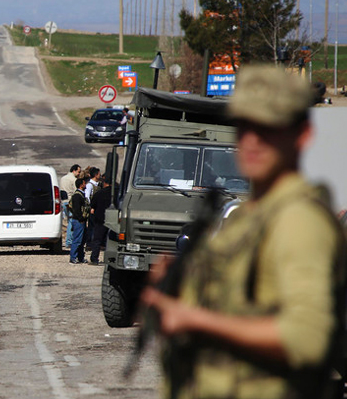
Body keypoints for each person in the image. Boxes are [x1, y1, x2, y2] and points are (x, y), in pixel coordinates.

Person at [140, 65, 346, 399]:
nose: (251, 140)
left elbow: (307, 338)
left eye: (268, 128)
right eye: (244, 126)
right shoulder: (248, 215)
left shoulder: (298, 219)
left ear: (302, 134)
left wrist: (196, 320)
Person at [88, 177, 111, 265]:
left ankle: (94, 259)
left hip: (100, 219)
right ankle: (110, 259)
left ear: (104, 183)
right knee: (110, 240)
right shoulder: (117, 194)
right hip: (113, 220)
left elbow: (93, 204)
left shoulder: (99, 193)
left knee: (97, 240)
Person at [69, 178, 90, 264]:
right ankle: (73, 257)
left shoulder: (81, 194)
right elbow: (76, 209)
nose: (85, 185)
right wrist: (80, 218)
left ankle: (81, 257)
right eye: (84, 183)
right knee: (77, 240)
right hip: (78, 221)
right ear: (81, 185)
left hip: (81, 221)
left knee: (82, 241)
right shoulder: (77, 196)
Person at [60, 164, 82, 248]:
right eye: (78, 172)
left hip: (64, 201)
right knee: (71, 221)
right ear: (74, 171)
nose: (79, 174)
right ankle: (69, 241)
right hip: (70, 202)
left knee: (68, 220)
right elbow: (76, 191)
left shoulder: (63, 178)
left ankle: (68, 240)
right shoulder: (74, 180)